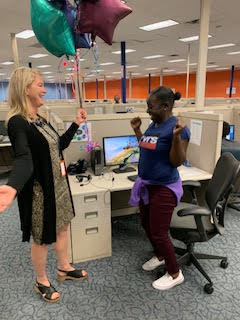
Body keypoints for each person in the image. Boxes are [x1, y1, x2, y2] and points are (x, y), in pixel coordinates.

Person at [0, 67, 88, 303]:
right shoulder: (17, 122)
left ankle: (64, 268)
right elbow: (23, 158)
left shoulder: (41, 119)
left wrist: (75, 124)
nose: (44, 90)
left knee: (62, 227)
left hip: (58, 185)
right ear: (25, 89)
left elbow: (57, 146)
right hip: (40, 191)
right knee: (41, 238)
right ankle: (41, 281)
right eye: (39, 85)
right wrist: (13, 186)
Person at [129, 86, 190, 291]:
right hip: (147, 185)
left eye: (151, 107)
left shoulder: (178, 128)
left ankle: (175, 273)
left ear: (165, 106)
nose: (147, 111)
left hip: (164, 187)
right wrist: (138, 131)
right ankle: (161, 255)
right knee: (146, 224)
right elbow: (147, 148)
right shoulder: (154, 125)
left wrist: (175, 138)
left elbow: (177, 161)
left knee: (159, 232)